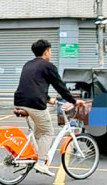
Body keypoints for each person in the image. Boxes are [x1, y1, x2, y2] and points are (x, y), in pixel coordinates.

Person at [14, 39, 78, 177]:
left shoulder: (28, 64)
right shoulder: (48, 66)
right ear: (46, 51)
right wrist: (73, 101)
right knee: (48, 131)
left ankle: (34, 155)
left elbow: (32, 85)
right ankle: (42, 163)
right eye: (50, 50)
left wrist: (49, 99)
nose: (50, 53)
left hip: (20, 101)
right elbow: (59, 86)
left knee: (39, 132)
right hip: (34, 103)